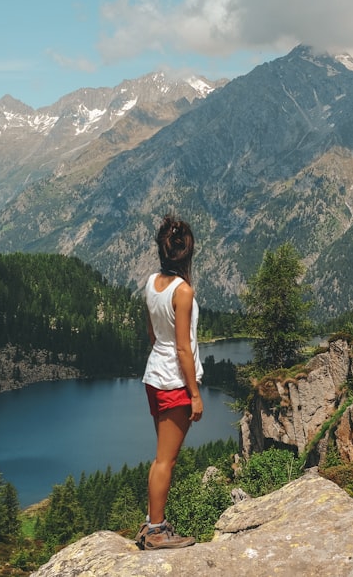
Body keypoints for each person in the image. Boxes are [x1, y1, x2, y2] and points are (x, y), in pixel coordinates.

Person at [135, 214, 204, 550]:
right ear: (187, 252)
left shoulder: (151, 283)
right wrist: (195, 394)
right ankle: (157, 530)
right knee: (167, 460)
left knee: (160, 457)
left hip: (154, 376)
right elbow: (183, 348)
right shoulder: (184, 291)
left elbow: (153, 334)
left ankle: (151, 524)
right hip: (175, 382)